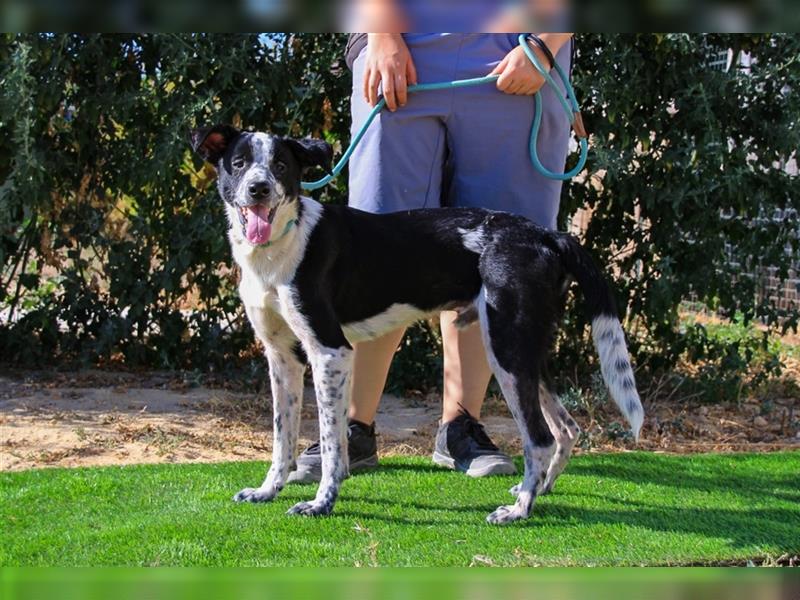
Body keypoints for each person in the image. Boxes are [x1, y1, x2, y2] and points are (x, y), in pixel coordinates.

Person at [288, 29, 575, 483]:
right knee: (372, 247)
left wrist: (546, 43)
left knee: (495, 259)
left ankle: (461, 427)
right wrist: (380, 32)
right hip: (398, 45)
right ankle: (351, 430)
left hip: (517, 53)